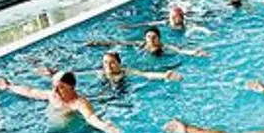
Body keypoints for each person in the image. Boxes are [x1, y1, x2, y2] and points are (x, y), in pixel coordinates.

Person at [0, 71, 122, 133]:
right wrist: (8, 86)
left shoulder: (79, 103)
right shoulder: (52, 95)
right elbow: (30, 91)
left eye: (61, 87)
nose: (55, 91)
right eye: (54, 86)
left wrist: (105, 127)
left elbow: (90, 117)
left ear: (72, 87)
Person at [35, 51, 183, 84]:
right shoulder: (100, 73)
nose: (108, 66)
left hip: (122, 91)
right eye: (105, 63)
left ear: (119, 63)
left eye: (112, 62)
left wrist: (164, 75)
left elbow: (146, 75)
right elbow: (77, 75)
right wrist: (54, 73)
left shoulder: (126, 72)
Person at [86, 26, 209, 57]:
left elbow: (179, 51)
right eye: (149, 37)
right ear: (145, 38)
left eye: (154, 37)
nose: (151, 39)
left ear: (159, 39)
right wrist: (99, 43)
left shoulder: (164, 46)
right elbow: (119, 43)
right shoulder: (141, 44)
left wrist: (195, 52)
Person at [119, 5, 214, 35]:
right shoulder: (165, 23)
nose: (173, 19)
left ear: (181, 18)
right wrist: (130, 26)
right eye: (172, 17)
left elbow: (198, 28)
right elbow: (147, 24)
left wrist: (208, 32)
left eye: (175, 17)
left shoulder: (186, 25)